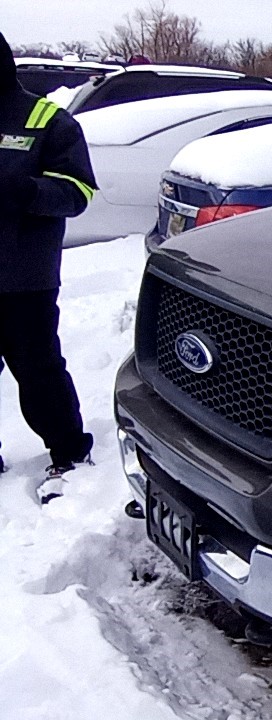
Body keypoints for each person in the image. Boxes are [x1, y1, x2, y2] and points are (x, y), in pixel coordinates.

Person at [0, 31, 98, 503]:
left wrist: (27, 191)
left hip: (24, 278)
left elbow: (78, 192)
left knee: (39, 373)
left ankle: (70, 454)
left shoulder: (46, 120)